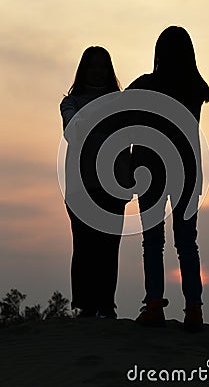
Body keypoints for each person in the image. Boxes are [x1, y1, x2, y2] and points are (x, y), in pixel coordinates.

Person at [126, 26, 209, 330]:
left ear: (158, 53)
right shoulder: (196, 88)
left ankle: (154, 305)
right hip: (185, 170)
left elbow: (121, 110)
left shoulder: (147, 84)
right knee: (187, 243)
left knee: (153, 242)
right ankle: (194, 309)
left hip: (150, 169)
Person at [60, 46, 131, 319]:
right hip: (81, 185)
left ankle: (106, 304)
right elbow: (73, 131)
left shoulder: (122, 101)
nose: (98, 71)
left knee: (109, 246)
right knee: (84, 245)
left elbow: (130, 137)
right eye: (93, 66)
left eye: (103, 66)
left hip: (114, 184)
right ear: (84, 70)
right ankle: (85, 305)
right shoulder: (71, 102)